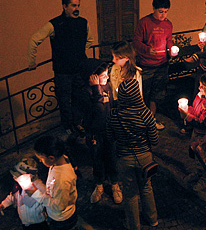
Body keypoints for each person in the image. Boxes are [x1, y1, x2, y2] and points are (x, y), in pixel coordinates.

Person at [27, 0, 94, 138]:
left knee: (79, 98)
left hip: (79, 69)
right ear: (64, 6)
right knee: (64, 101)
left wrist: (79, 53)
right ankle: (68, 126)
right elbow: (34, 40)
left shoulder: (83, 22)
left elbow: (89, 41)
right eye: (73, 5)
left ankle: (77, 123)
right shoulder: (54, 24)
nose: (77, 8)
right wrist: (32, 61)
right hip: (63, 72)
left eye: (78, 5)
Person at [106, 79, 159, 230]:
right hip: (145, 158)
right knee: (146, 187)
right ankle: (153, 219)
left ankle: (134, 226)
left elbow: (110, 138)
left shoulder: (113, 115)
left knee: (130, 193)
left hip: (124, 158)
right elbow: (154, 140)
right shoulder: (146, 114)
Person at [79, 58, 122, 204]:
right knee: (97, 159)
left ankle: (115, 184)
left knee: (111, 157)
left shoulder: (107, 87)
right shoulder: (86, 93)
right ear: (93, 78)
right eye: (104, 76)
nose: (108, 78)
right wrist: (96, 90)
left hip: (108, 130)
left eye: (107, 74)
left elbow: (109, 107)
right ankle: (99, 185)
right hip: (95, 133)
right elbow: (95, 111)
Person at [132, 0, 173, 131]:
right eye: (160, 11)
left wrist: (171, 50)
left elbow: (169, 41)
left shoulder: (168, 24)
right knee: (144, 93)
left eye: (166, 12)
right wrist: (147, 50)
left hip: (162, 65)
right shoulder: (144, 22)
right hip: (146, 65)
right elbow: (136, 42)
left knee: (157, 93)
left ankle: (151, 118)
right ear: (154, 9)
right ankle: (142, 120)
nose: (163, 15)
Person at [178, 72, 206, 192]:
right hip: (196, 132)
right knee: (197, 155)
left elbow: (203, 124)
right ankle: (198, 173)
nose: (200, 88)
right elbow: (196, 109)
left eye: (203, 86)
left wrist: (187, 116)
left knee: (205, 158)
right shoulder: (201, 96)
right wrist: (188, 109)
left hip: (205, 136)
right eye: (200, 84)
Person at [29, 136, 78, 230]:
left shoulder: (62, 179)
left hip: (61, 220)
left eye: (41, 158)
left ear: (51, 158)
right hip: (59, 215)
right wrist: (37, 182)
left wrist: (36, 195)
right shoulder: (61, 161)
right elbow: (52, 188)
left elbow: (59, 206)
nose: (40, 161)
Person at [0, 158, 50, 230]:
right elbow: (12, 197)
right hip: (25, 224)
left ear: (29, 175)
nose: (14, 178)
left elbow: (48, 202)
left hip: (38, 224)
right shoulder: (18, 185)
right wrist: (3, 204)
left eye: (17, 176)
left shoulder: (40, 187)